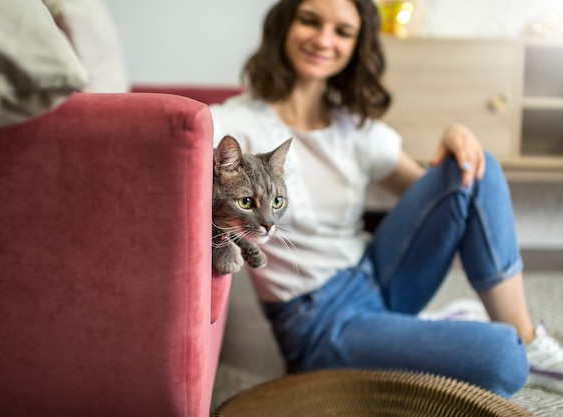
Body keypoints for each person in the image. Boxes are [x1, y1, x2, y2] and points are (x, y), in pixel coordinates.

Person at [210, 0, 563, 398]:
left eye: (342, 31)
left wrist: (456, 135)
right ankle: (461, 337)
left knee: (476, 167)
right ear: (283, 25)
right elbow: (178, 148)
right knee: (504, 360)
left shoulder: (354, 127)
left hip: (377, 274)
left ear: (357, 44)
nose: (324, 39)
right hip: (320, 320)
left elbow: (448, 195)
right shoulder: (233, 120)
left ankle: (528, 337)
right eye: (310, 21)